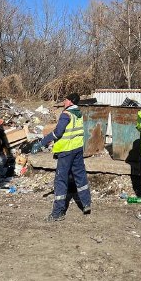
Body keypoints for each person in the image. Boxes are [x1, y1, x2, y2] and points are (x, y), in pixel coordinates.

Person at [33, 93, 91, 221]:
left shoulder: (66, 114)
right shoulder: (78, 114)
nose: (64, 102)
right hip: (77, 149)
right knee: (80, 176)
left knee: (61, 180)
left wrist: (42, 142)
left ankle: (58, 212)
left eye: (65, 100)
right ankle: (86, 204)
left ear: (70, 101)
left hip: (66, 151)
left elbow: (58, 132)